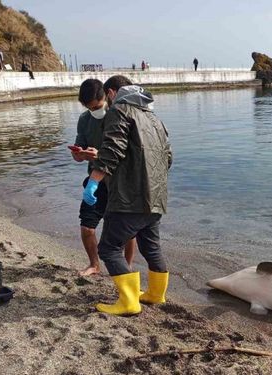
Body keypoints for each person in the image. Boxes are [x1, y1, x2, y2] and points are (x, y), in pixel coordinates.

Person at [83, 75, 172, 315]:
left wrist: (93, 182)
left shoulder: (120, 111)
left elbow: (112, 149)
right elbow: (168, 157)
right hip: (156, 197)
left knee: (109, 248)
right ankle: (156, 294)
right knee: (151, 247)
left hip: (129, 199)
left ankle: (129, 302)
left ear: (112, 93)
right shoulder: (153, 117)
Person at [72, 78, 137, 276]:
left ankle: (127, 266)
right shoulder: (84, 120)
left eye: (97, 106)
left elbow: (127, 153)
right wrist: (80, 155)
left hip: (119, 182)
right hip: (94, 179)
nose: (95, 111)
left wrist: (100, 154)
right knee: (87, 226)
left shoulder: (118, 116)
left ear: (106, 96)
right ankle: (94, 264)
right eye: (90, 108)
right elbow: (78, 154)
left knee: (127, 230)